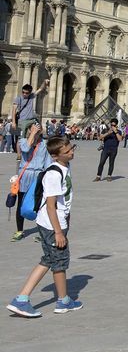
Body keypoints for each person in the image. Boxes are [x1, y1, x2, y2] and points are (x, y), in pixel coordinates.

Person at [6, 137, 82, 318]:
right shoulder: (54, 174)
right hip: (52, 224)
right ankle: (61, 301)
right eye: (67, 151)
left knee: (49, 259)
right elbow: (50, 205)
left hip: (54, 222)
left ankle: (24, 299)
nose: (71, 151)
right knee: (59, 261)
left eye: (72, 147)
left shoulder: (64, 167)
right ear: (55, 156)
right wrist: (58, 232)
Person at [11, 123, 51, 242]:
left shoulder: (44, 144)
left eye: (37, 129)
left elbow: (47, 161)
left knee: (40, 204)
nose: (35, 131)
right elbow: (26, 149)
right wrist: (32, 133)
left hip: (38, 175)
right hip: (25, 175)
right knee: (21, 204)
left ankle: (42, 231)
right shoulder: (22, 141)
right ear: (28, 130)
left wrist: (47, 176)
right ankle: (19, 230)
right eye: (32, 128)